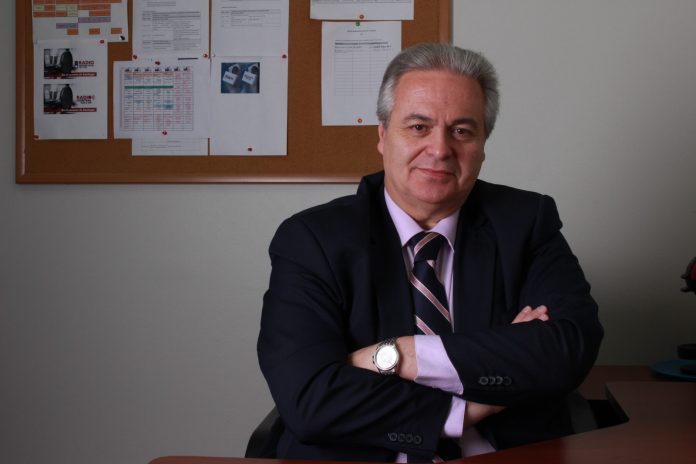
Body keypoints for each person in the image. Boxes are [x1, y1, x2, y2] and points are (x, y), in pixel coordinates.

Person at [257, 43, 603, 462]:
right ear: (383, 135)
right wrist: (467, 409)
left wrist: (401, 355)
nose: (440, 149)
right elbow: (310, 399)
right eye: (419, 127)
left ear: (483, 144)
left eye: (462, 131)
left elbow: (567, 349)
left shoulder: (526, 222)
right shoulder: (312, 240)